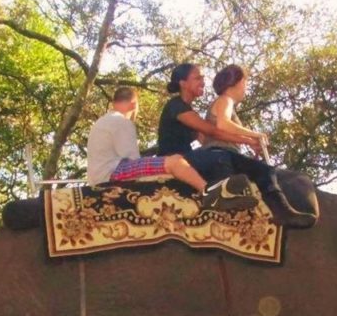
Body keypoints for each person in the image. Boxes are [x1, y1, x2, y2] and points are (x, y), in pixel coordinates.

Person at [156, 63, 314, 227]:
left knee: (262, 169)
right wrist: (252, 139)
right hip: (174, 160)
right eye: (198, 78)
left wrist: (247, 146)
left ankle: (282, 211)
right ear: (183, 83)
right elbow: (214, 131)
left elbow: (206, 139)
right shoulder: (176, 106)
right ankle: (221, 195)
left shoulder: (191, 111)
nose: (203, 81)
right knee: (219, 156)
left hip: (194, 157)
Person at [86, 86, 257, 211]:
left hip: (102, 172)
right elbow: (133, 161)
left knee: (169, 164)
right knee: (175, 162)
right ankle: (209, 193)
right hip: (113, 172)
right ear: (133, 104)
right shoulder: (123, 122)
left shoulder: (102, 121)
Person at [202, 64, 266, 156]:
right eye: (245, 83)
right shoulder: (226, 100)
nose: (245, 89)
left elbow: (224, 132)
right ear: (239, 82)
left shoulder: (224, 101)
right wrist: (255, 135)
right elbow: (224, 124)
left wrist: (250, 141)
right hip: (221, 155)